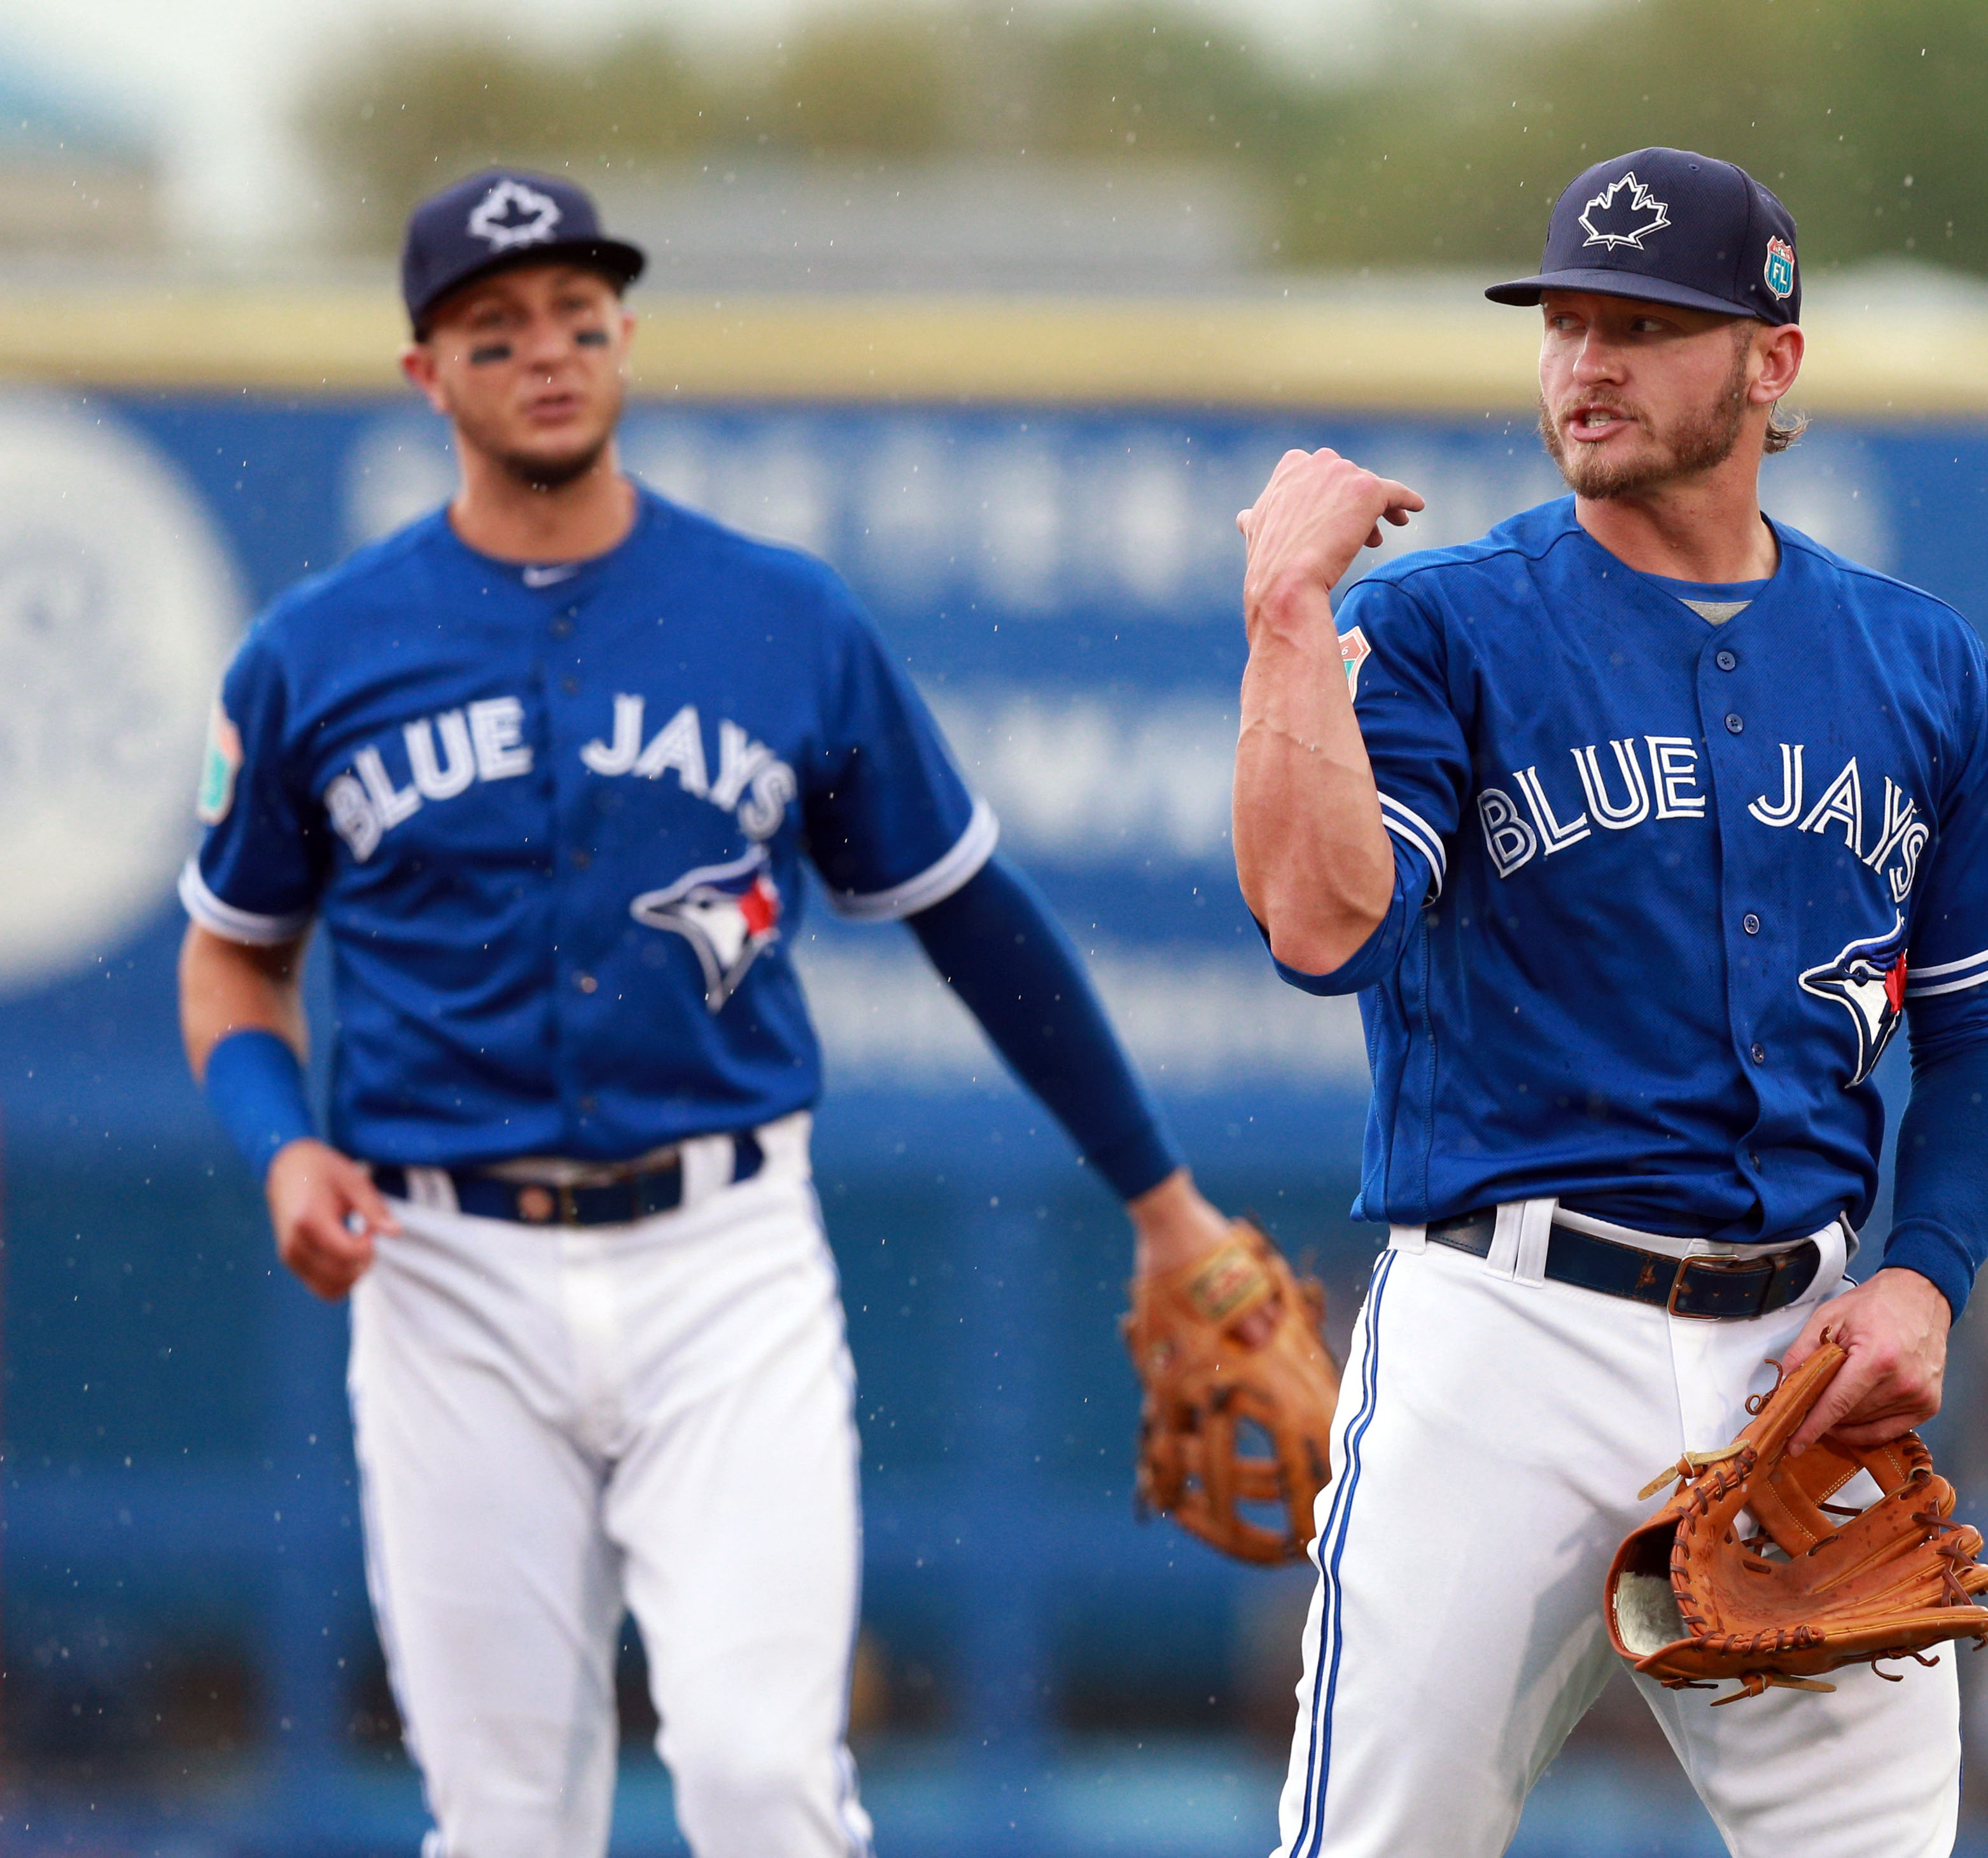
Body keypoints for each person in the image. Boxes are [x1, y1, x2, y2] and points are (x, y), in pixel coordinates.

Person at [176, 168, 1241, 1857]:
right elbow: (234, 951)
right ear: (423, 373)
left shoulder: (782, 617)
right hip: (446, 1273)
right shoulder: (319, 651)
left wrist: (1164, 1203)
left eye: (578, 318)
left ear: (624, 340)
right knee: (509, 1818)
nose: (546, 352)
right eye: (494, 327)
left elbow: (977, 922)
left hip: (722, 1260)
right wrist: (278, 1146)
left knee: (761, 1780)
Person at [1231, 146, 1988, 1857]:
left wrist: (1926, 1278)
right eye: (1566, 324)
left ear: (1772, 364)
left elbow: (1986, 1030)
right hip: (1508, 1331)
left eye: (1643, 325)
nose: (1586, 363)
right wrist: (1283, 620)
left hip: (1802, 1359)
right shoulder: (1444, 627)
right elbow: (1322, 927)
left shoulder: (1918, 663)